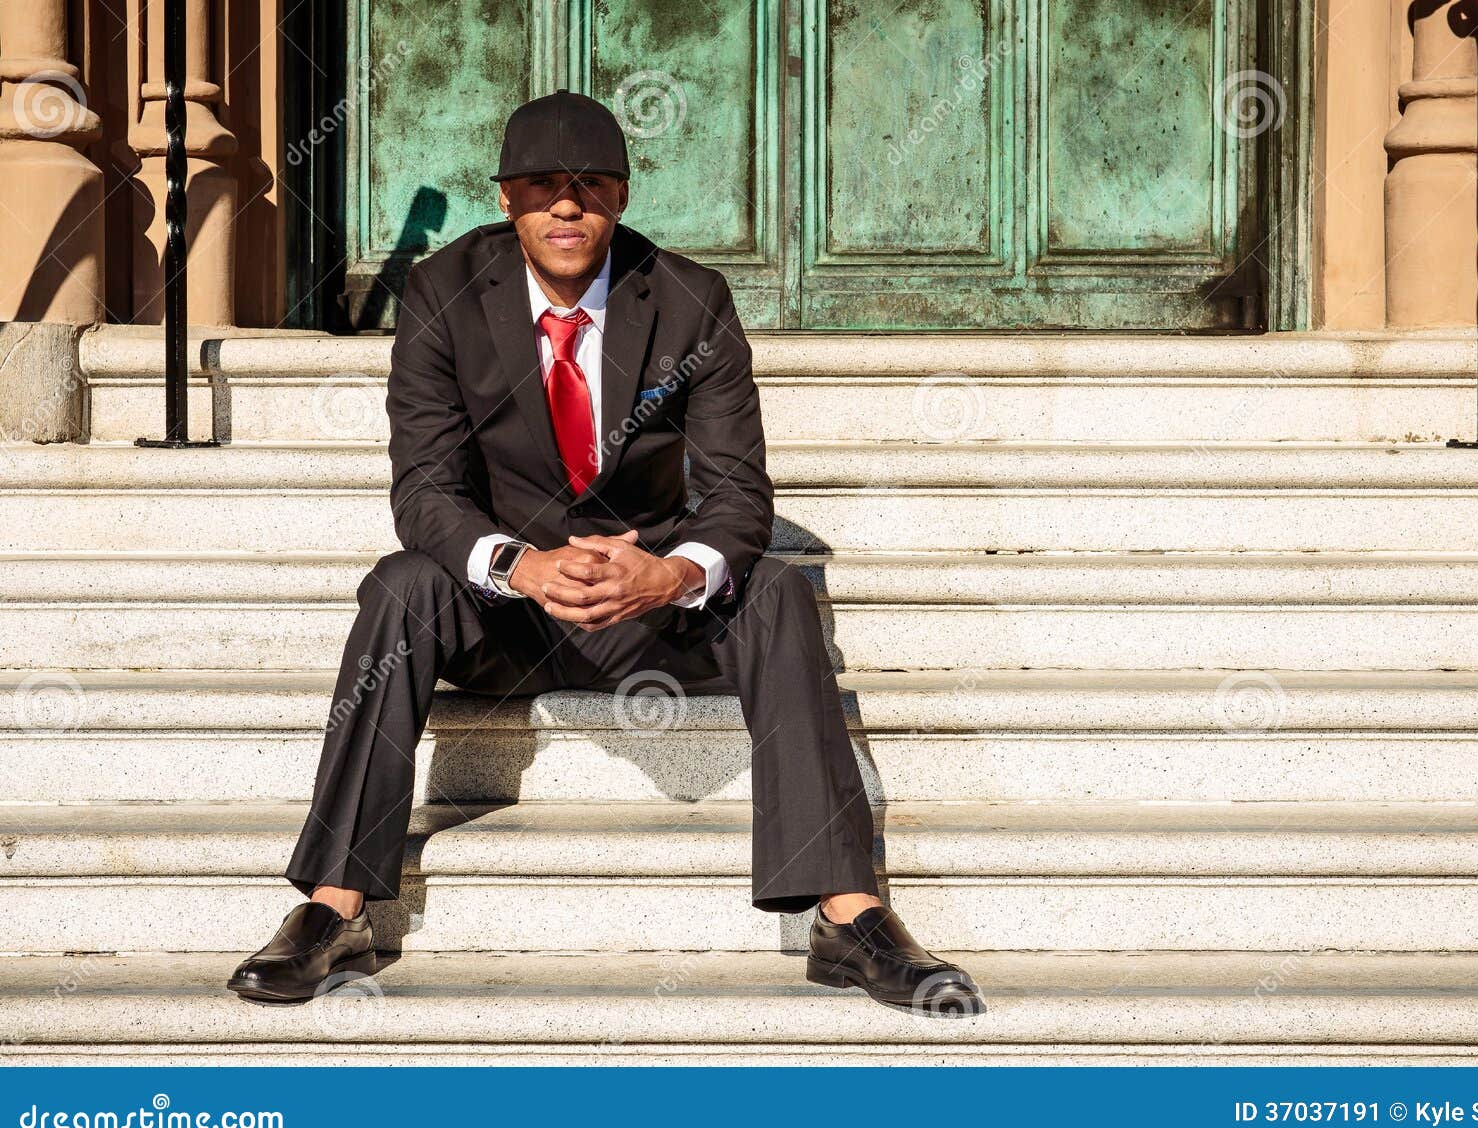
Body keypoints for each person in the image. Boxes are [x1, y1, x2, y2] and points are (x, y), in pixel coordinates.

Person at [228, 90, 983, 1017]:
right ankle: (332, 908)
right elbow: (424, 491)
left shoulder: (689, 298)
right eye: (542, 186)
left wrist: (670, 573)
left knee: (779, 594)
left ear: (621, 196)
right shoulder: (444, 292)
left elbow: (742, 492)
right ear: (505, 199)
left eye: (590, 186)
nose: (567, 206)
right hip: (504, 613)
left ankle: (851, 917)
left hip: (648, 614)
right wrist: (520, 566)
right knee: (399, 588)